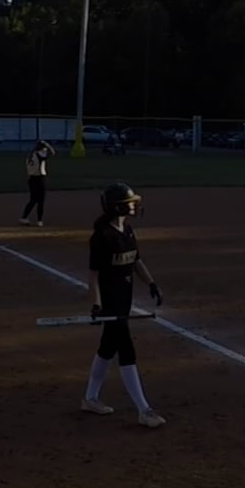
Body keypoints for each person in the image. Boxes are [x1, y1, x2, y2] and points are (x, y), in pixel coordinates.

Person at [82, 182, 166, 428]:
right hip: (111, 303)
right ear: (117, 207)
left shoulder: (127, 230)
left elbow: (136, 261)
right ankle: (144, 410)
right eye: (129, 202)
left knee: (107, 348)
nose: (134, 205)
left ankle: (90, 398)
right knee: (126, 350)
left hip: (124, 299)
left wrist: (151, 283)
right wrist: (96, 305)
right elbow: (93, 276)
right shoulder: (102, 237)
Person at [21, 140, 55, 226]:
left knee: (33, 200)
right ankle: (39, 220)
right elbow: (52, 153)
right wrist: (48, 145)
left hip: (31, 179)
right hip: (40, 178)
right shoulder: (40, 154)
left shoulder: (30, 155)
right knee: (41, 200)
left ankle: (24, 217)